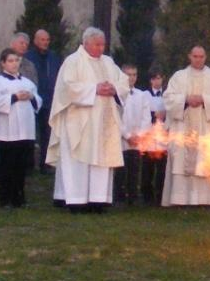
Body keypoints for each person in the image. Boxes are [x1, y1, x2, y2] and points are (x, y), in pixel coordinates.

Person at [45, 27, 128, 211]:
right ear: (86, 43)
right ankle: (76, 199)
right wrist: (94, 89)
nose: (101, 48)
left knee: (101, 157)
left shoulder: (108, 62)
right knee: (78, 158)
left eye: (103, 45)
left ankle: (98, 200)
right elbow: (67, 87)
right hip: (79, 120)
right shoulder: (73, 61)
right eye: (97, 44)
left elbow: (123, 83)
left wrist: (113, 89)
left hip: (103, 121)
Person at [162, 45, 210, 207]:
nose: (198, 59)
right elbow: (168, 98)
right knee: (180, 159)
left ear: (205, 57)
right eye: (195, 56)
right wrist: (185, 99)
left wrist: (204, 99)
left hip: (206, 126)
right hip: (184, 125)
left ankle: (207, 201)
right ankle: (180, 200)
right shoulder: (179, 76)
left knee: (205, 160)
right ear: (189, 57)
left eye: (201, 56)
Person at [0, 47, 41, 208]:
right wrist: (14, 97)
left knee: (21, 166)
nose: (14, 64)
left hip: (25, 131)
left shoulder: (27, 82)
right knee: (7, 166)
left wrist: (31, 97)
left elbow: (38, 103)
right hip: (7, 130)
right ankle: (5, 199)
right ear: (3, 63)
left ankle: (19, 198)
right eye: (10, 61)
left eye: (16, 61)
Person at [116, 63, 150, 205]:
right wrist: (127, 135)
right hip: (122, 138)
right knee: (120, 169)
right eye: (128, 75)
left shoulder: (141, 95)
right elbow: (116, 117)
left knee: (134, 168)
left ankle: (133, 196)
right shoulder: (117, 94)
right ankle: (119, 195)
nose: (131, 78)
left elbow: (146, 117)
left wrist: (139, 134)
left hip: (137, 139)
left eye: (134, 75)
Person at [29, 28, 60, 172]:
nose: (45, 43)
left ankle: (45, 163)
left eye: (47, 40)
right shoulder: (29, 57)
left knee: (47, 134)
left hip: (49, 100)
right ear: (35, 40)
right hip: (33, 100)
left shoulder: (53, 57)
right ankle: (29, 164)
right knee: (31, 133)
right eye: (42, 40)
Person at [140, 67, 168, 203]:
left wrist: (164, 115)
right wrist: (154, 115)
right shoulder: (145, 95)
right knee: (147, 169)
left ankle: (160, 195)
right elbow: (143, 112)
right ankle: (147, 196)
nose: (158, 81)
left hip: (163, 136)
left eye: (160, 78)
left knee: (162, 169)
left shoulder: (168, 95)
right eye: (155, 78)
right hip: (149, 136)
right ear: (151, 80)